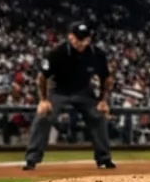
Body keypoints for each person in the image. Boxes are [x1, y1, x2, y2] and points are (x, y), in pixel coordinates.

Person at [22, 21, 116, 171]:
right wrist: (44, 100)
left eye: (84, 39)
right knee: (43, 115)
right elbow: (42, 77)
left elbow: (107, 78)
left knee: (98, 115)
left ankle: (104, 158)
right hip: (59, 90)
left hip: (83, 90)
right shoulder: (57, 52)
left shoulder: (96, 54)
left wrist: (103, 101)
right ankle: (31, 159)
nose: (80, 42)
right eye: (77, 38)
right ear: (70, 37)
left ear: (88, 39)